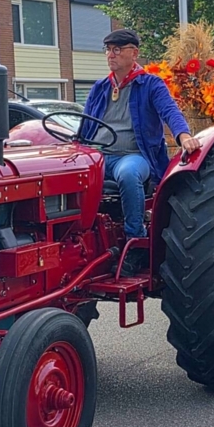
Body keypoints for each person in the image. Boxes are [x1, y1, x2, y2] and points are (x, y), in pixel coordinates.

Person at [78, 29, 201, 272]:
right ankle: (81, 241)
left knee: (128, 174)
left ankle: (136, 241)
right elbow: (85, 123)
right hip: (99, 155)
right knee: (70, 174)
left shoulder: (150, 84)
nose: (110, 55)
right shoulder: (100, 87)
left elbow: (170, 111)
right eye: (108, 50)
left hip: (134, 156)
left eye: (117, 49)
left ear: (134, 53)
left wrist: (184, 135)